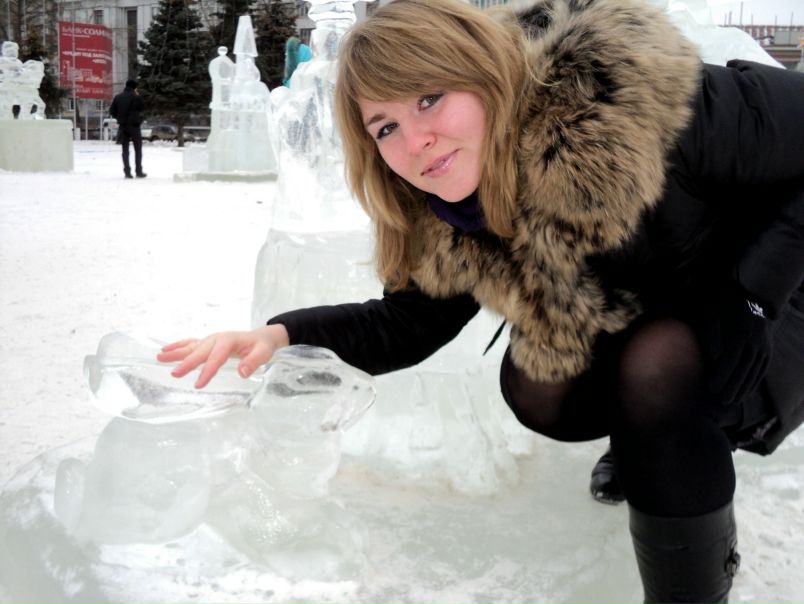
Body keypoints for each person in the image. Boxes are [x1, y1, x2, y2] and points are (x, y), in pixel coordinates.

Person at [158, 0, 804, 601]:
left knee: (658, 370)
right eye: (386, 126)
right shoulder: (446, 207)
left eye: (429, 99)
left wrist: (752, 293)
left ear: (482, 74)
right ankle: (648, 438)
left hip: (780, 295)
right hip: (655, 309)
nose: (415, 141)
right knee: (541, 383)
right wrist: (280, 336)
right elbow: (407, 323)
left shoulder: (634, 95)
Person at [109, 79, 146, 179]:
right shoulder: (136, 97)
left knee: (125, 150)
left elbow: (112, 111)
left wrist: (120, 118)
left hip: (123, 126)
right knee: (138, 149)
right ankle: (138, 171)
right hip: (134, 126)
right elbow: (142, 108)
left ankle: (127, 172)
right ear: (134, 87)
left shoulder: (118, 97)